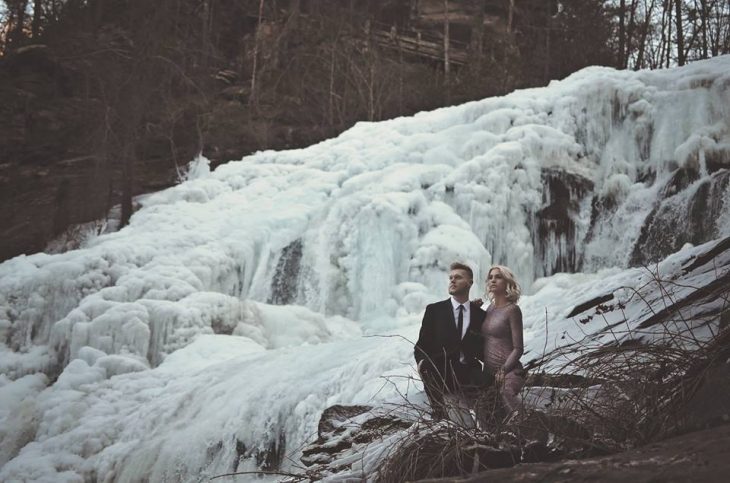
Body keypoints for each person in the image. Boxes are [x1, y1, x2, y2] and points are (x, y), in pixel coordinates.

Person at [414, 262, 486, 419]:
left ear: (470, 283)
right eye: (451, 278)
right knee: (456, 425)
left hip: (470, 378)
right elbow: (421, 346)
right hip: (441, 376)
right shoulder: (434, 310)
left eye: (458, 277)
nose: (452, 280)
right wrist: (422, 365)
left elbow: (482, 349)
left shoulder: (480, 315)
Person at [481, 265, 525, 422]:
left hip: (510, 371)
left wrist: (503, 370)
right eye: (491, 277)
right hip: (489, 373)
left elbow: (518, 348)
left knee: (506, 392)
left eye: (498, 277)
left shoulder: (513, 310)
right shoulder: (489, 309)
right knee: (483, 405)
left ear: (507, 282)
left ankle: (527, 429)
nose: (493, 280)